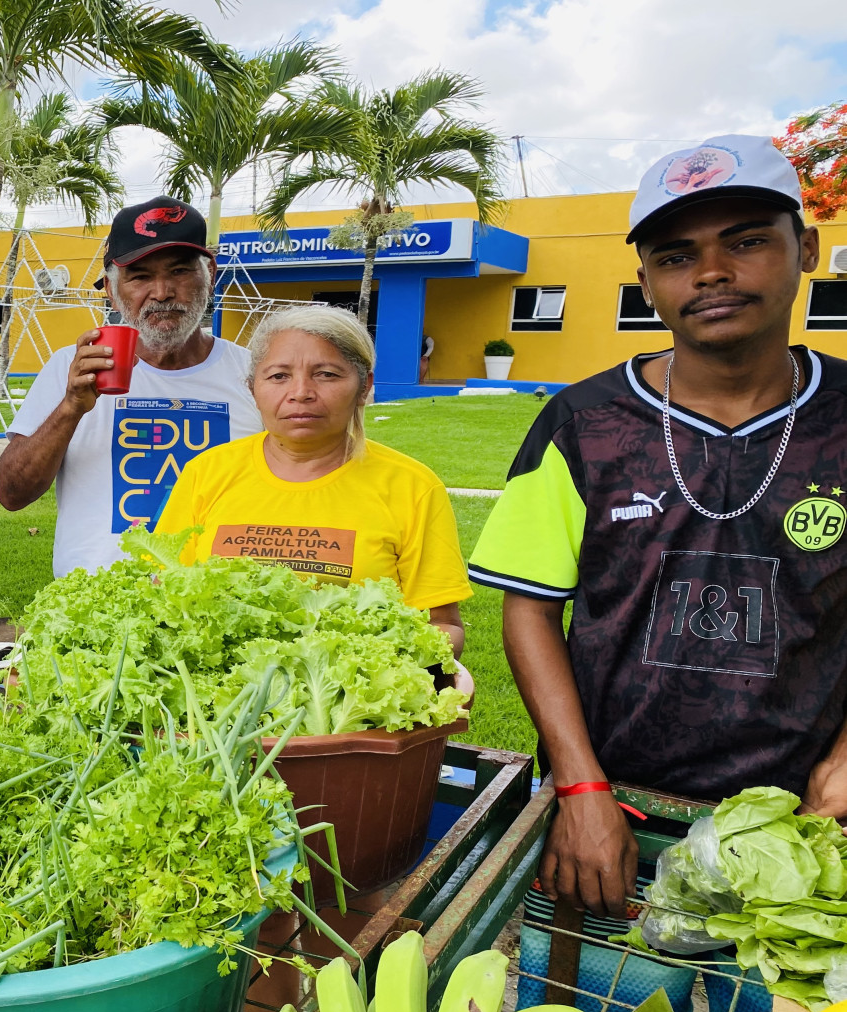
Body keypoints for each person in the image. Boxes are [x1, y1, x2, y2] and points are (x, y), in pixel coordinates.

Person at [468, 134, 847, 918]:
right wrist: (577, 787)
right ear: (645, 280)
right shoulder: (582, 422)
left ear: (806, 248)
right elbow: (531, 610)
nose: (711, 272)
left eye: (745, 242)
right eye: (676, 255)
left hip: (808, 817)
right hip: (613, 812)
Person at [156, 305, 470, 655]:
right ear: (252, 388)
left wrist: (380, 662)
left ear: (364, 386)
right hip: (218, 704)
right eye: (278, 376)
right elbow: (160, 591)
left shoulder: (411, 486)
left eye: (327, 375)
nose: (301, 392)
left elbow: (443, 625)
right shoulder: (208, 471)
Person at [0, 196, 263, 577]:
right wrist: (71, 407)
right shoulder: (69, 370)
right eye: (140, 276)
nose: (162, 291)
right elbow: (11, 494)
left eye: (180, 272)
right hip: (98, 605)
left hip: (216, 602)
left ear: (210, 275)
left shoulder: (254, 374)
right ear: (110, 288)